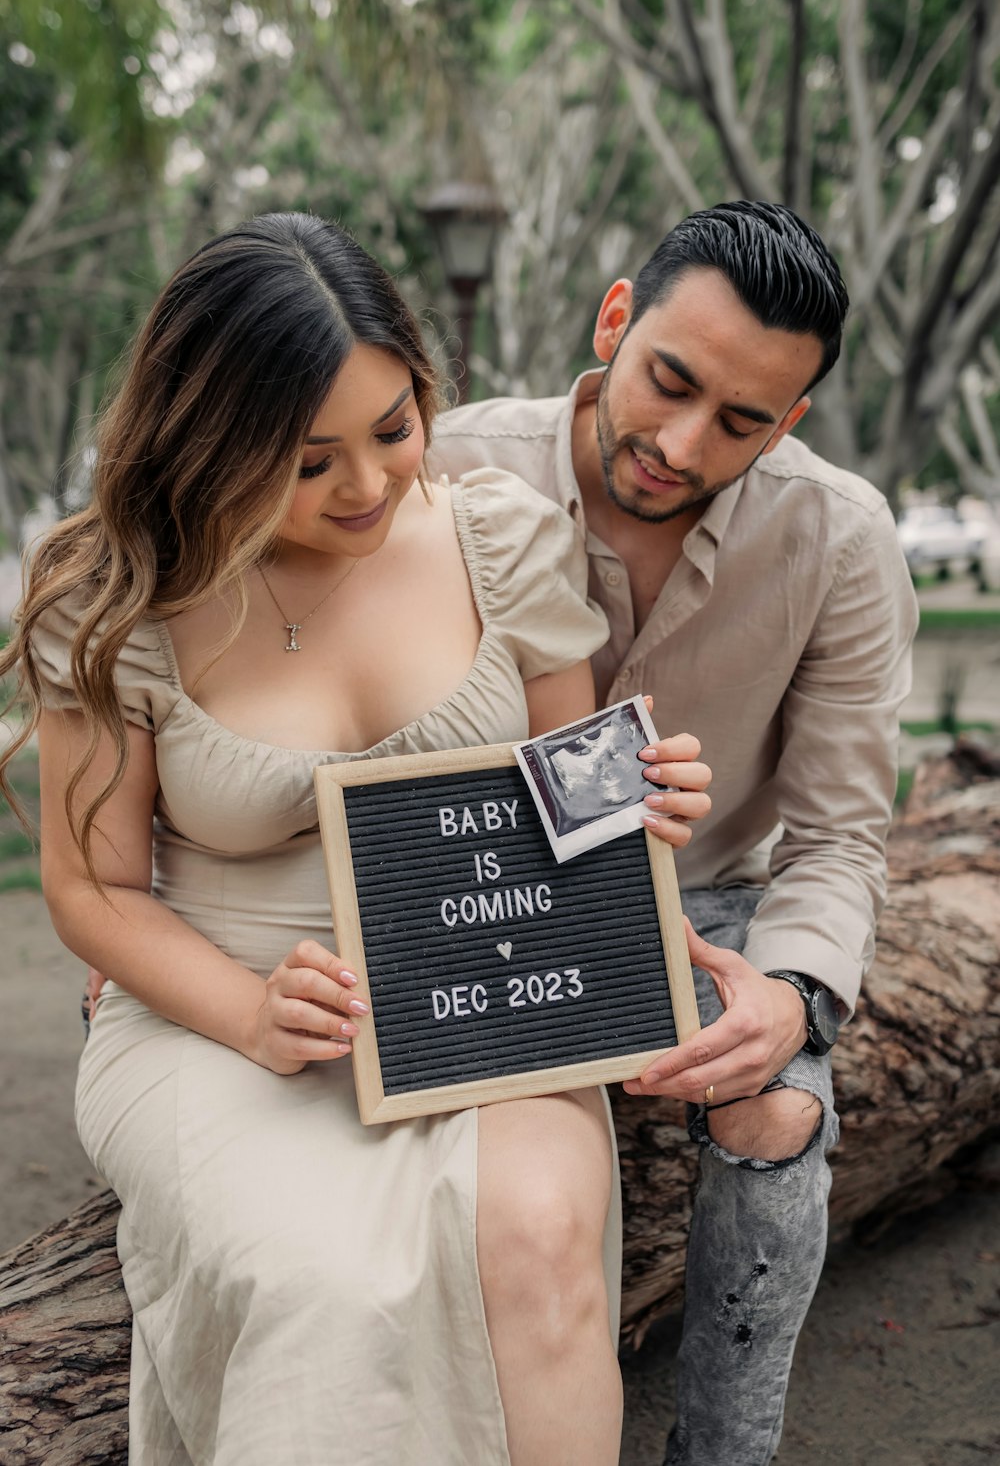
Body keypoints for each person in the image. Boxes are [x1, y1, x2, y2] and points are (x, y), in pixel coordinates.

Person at [0, 212, 713, 1466]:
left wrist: (642, 798)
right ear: (212, 443)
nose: (372, 485)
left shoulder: (498, 538)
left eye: (394, 428)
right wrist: (247, 1007)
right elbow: (92, 889)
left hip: (489, 993)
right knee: (315, 1278)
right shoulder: (114, 599)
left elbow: (568, 797)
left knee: (540, 1232)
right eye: (308, 460)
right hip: (222, 1013)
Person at [426, 200, 919, 1465]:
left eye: (742, 422)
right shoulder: (440, 463)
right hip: (459, 893)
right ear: (612, 320)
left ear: (790, 420)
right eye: (669, 381)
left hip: (698, 908)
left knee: (780, 1113)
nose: (683, 442)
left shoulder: (842, 539)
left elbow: (841, 833)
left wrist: (796, 999)